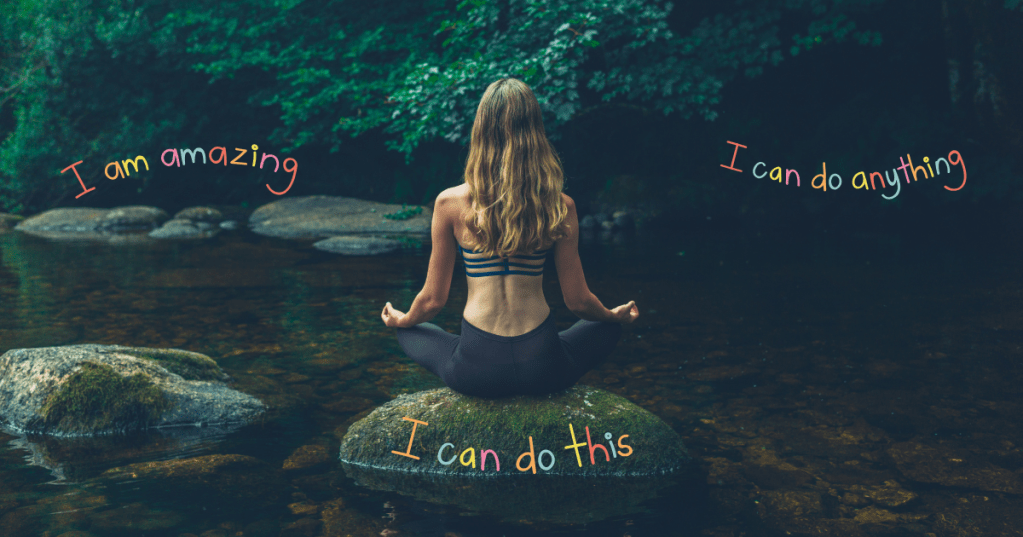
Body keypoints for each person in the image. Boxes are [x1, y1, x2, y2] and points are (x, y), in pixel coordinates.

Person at [380, 77, 639, 399]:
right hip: (542, 367)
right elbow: (579, 302)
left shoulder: (449, 203)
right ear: (535, 133)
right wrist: (612, 315)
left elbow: (433, 301)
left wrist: (402, 321)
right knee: (606, 326)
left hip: (476, 370)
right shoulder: (560, 205)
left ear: (481, 131)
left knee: (412, 330)